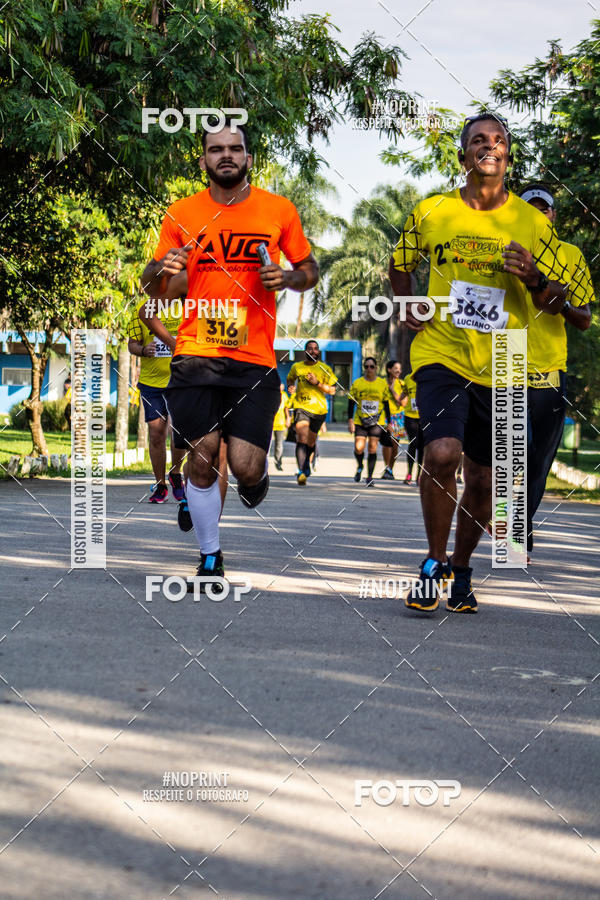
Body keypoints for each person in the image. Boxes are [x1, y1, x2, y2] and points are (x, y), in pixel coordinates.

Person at [390, 112, 568, 614]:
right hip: (442, 353)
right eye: (478, 141)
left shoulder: (533, 223)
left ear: (508, 155)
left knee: (486, 481)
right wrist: (406, 304)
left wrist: (535, 279)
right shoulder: (431, 211)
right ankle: (432, 561)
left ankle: (462, 572)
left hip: (507, 359)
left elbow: (560, 302)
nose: (489, 147)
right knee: (442, 454)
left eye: (499, 141)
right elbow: (399, 266)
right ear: (463, 153)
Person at [140, 119, 318, 586]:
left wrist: (291, 279)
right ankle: (211, 554)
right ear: (203, 160)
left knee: (244, 465)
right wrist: (163, 266)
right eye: (215, 149)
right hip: (196, 353)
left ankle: (255, 481)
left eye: (234, 148)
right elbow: (151, 281)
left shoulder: (277, 210)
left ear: (248, 158)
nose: (225, 155)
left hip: (254, 359)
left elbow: (309, 268)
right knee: (201, 456)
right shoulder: (181, 213)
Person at [519, 183, 593, 557]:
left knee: (538, 462)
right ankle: (510, 534)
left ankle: (520, 527)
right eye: (528, 207)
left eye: (543, 208)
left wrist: (557, 302)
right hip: (505, 362)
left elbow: (584, 319)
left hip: (550, 369)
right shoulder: (507, 252)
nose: (537, 214)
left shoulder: (571, 255)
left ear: (553, 214)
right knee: (509, 456)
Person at [128, 280, 187, 503]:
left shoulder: (186, 306)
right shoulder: (143, 309)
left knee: (178, 432)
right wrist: (143, 349)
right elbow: (131, 344)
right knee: (156, 434)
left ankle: (176, 472)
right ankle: (161, 484)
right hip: (152, 382)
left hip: (180, 380)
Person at [287, 340, 336, 485]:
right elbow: (290, 379)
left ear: (318, 351)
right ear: (305, 351)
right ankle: (301, 471)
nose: (313, 351)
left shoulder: (325, 368)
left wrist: (317, 383)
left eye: (316, 349)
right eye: (310, 348)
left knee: (311, 441)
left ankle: (307, 463)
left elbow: (332, 390)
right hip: (301, 407)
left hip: (319, 410)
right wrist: (290, 387)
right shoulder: (297, 367)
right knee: (301, 438)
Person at [347, 357, 391, 486]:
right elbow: (351, 403)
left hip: (377, 421)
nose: (369, 369)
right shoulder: (357, 383)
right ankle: (360, 465)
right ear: (364, 368)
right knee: (358, 448)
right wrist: (350, 420)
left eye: (372, 366)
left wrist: (389, 423)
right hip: (360, 420)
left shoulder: (382, 384)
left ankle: (369, 477)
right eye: (366, 367)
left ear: (376, 368)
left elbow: (386, 403)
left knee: (372, 448)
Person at [381, 359, 406, 479]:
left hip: (398, 417)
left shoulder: (402, 384)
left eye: (400, 369)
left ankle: (390, 469)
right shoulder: (381, 383)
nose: (399, 371)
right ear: (389, 370)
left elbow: (403, 402)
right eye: (396, 369)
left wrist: (392, 390)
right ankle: (387, 468)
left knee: (395, 445)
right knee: (387, 443)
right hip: (385, 416)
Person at [401, 370, 423, 485]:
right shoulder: (408, 378)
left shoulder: (428, 377)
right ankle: (409, 472)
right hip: (410, 416)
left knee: (422, 446)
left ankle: (419, 474)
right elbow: (404, 394)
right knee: (413, 443)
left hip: (424, 416)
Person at [271, 383, 288, 471]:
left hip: (280, 423)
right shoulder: (270, 393)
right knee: (266, 444)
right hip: (270, 423)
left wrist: (288, 418)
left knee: (279, 445)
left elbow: (286, 408)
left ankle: (278, 463)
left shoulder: (284, 396)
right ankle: (263, 462)